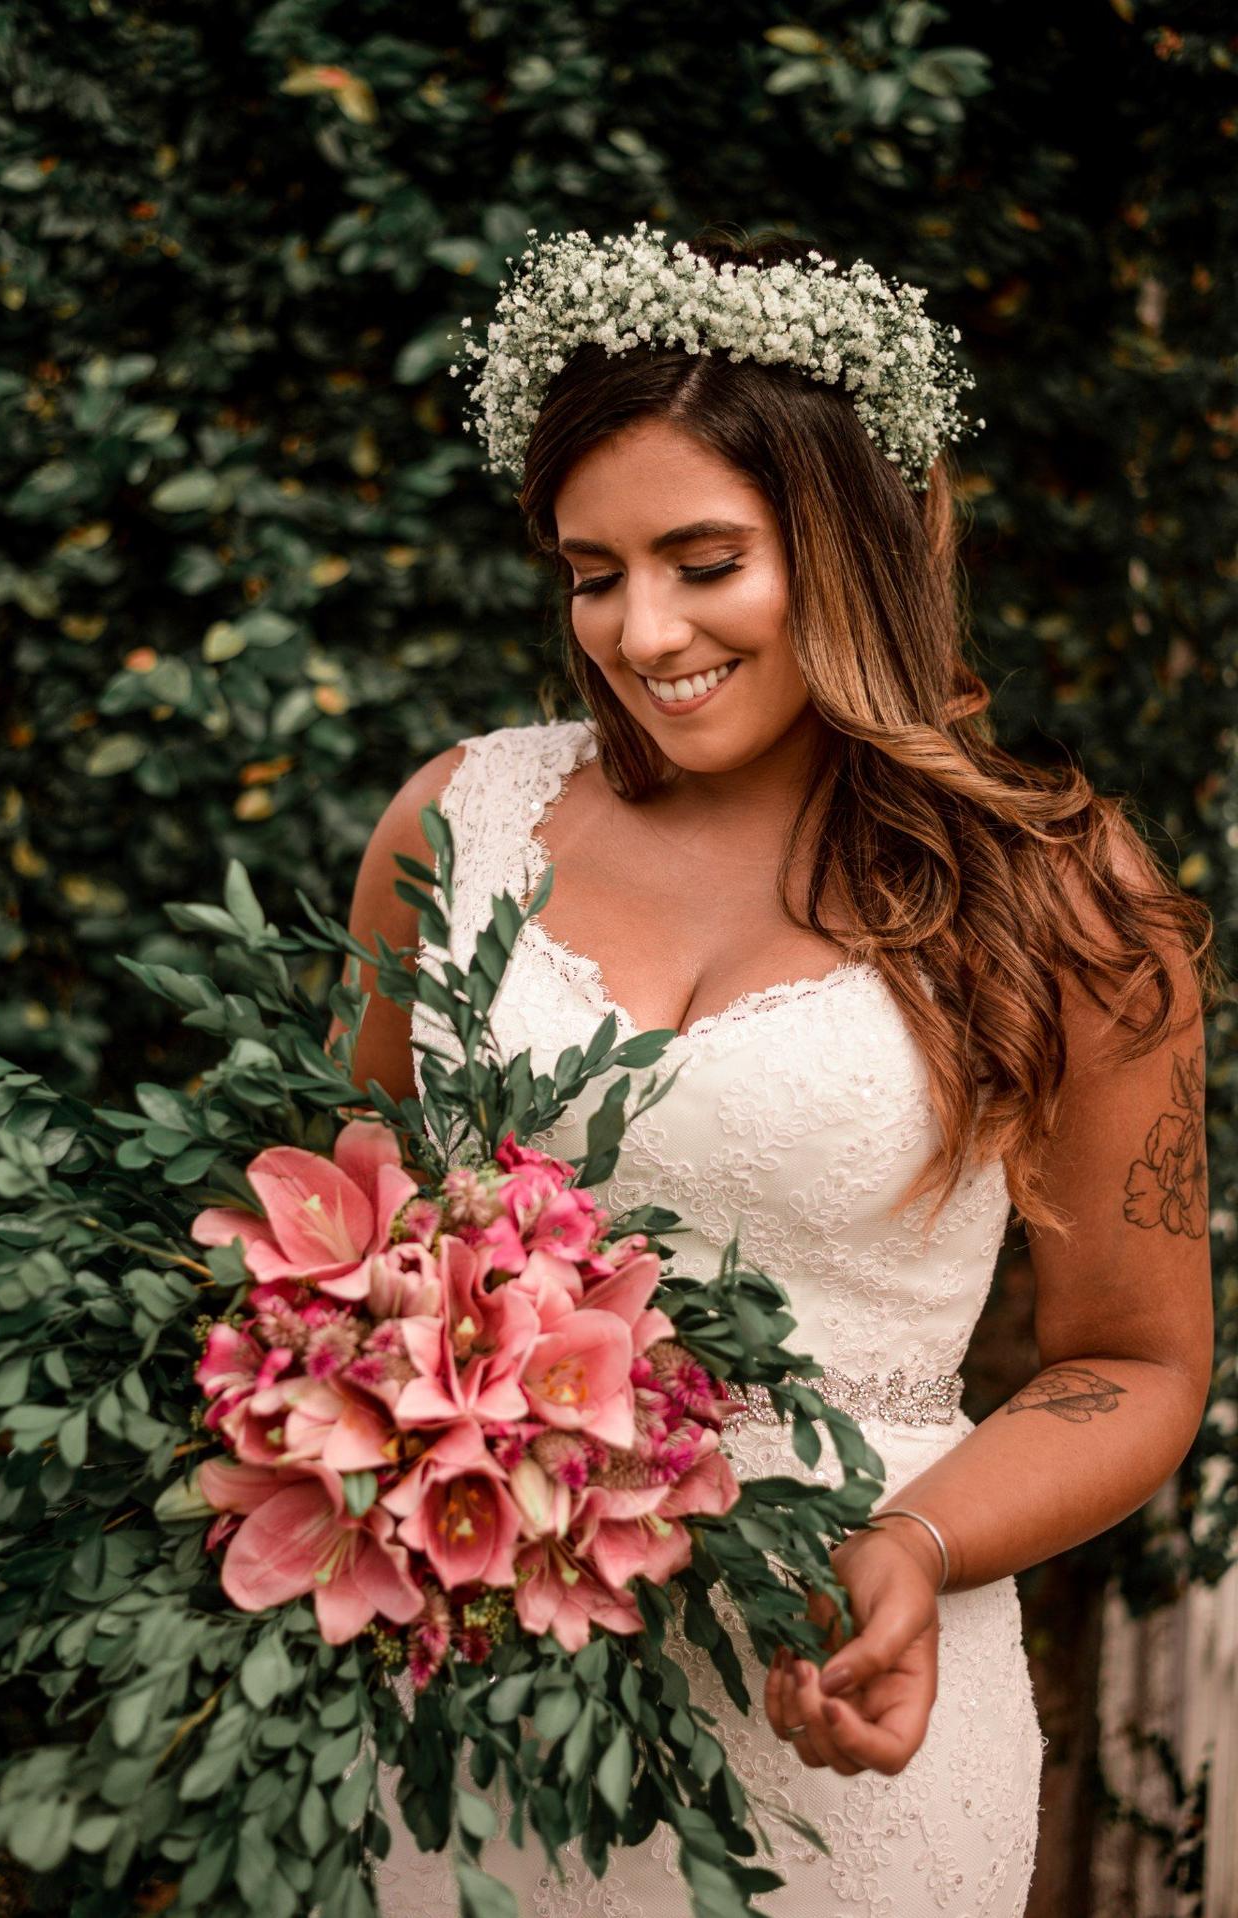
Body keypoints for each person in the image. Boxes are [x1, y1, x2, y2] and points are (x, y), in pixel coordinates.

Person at [328, 224, 1218, 1917]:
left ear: (851, 540)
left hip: (852, 1696)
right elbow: (327, 1247)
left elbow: (1138, 1361)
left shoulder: (1063, 896)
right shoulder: (455, 824)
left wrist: (917, 1544)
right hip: (473, 1687)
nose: (642, 629)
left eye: (705, 559)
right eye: (594, 572)